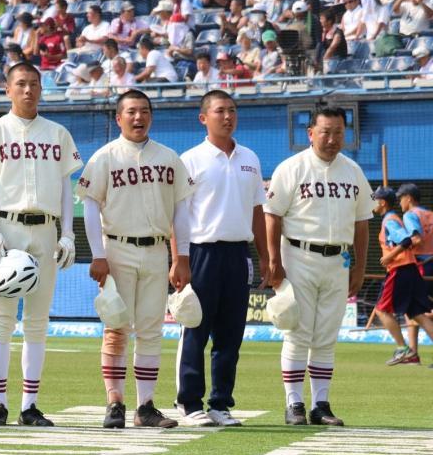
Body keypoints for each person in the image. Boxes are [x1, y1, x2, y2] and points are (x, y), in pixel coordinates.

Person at [0, 62, 82, 427]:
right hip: (9, 228)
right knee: (1, 320)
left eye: (34, 84)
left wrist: (68, 232)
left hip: (46, 232)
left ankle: (29, 406)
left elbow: (67, 187)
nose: (28, 90)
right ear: (7, 89)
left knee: (37, 322)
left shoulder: (58, 133)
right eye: (21, 84)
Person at [77, 89, 193, 430]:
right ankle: (115, 401)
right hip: (117, 248)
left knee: (151, 330)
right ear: (119, 118)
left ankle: (145, 407)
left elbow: (180, 210)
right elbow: (90, 206)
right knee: (116, 326)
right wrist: (98, 255)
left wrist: (181, 256)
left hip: (157, 250)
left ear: (151, 116)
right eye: (131, 111)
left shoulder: (169, 157)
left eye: (144, 111)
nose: (138, 117)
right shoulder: (104, 157)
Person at [265, 105, 373, 427]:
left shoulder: (352, 170)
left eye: (338, 132)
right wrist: (273, 260)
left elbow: (362, 222)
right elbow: (272, 214)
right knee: (298, 331)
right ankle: (294, 403)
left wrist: (359, 266)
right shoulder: (292, 167)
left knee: (326, 335)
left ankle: (321, 404)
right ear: (310, 133)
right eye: (325, 132)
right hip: (299, 255)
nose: (332, 138)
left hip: (338, 260)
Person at [172, 91, 269, 427]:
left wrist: (267, 257)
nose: (227, 117)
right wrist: (179, 259)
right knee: (195, 329)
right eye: (219, 111)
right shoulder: (190, 160)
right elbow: (178, 215)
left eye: (232, 110)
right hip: (200, 253)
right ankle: (188, 403)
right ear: (204, 118)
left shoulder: (250, 158)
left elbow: (258, 210)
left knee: (231, 335)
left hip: (238, 254)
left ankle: (220, 404)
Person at [372, 186, 433, 367]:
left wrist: (389, 257)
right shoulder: (396, 218)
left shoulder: (390, 220)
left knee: (381, 311)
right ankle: (411, 354)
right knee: (418, 315)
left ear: (382, 203)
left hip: (401, 268)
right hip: (411, 268)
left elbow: (407, 240)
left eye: (374, 200)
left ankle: (403, 349)